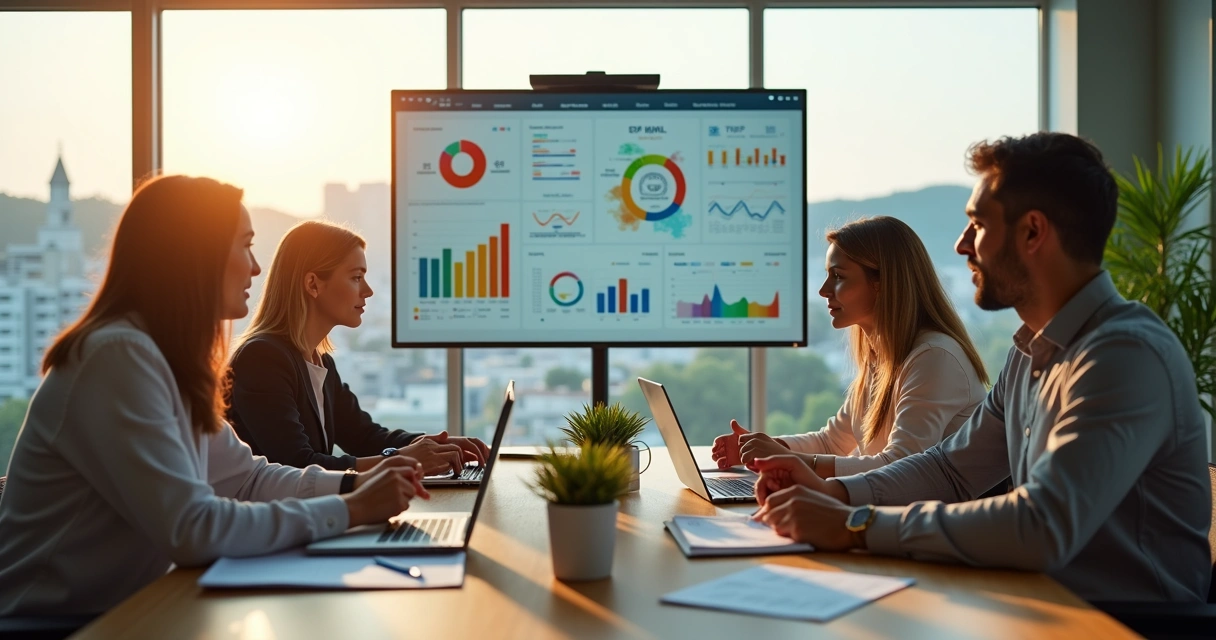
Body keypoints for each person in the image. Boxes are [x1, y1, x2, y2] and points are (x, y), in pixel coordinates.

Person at [749, 132, 1212, 603]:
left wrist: (856, 523)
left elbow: (1041, 525)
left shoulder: (1122, 356)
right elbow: (950, 470)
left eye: (977, 225)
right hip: (1036, 605)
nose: (960, 245)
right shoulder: (1028, 353)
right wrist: (838, 495)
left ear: (1033, 232)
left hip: (1124, 626)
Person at [0, 176, 428, 617]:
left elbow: (247, 480)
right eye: (245, 246)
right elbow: (193, 527)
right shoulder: (117, 356)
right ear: (195, 256)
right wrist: (350, 508)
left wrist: (355, 485)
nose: (256, 269)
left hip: (132, 615)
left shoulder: (165, 359)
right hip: (51, 626)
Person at [712, 216, 988, 478]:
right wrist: (761, 448)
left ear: (882, 283)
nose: (823, 290)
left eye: (838, 276)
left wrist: (786, 459)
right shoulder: (881, 355)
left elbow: (899, 469)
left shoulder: (934, 358)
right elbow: (831, 442)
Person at [227, 220, 489, 477]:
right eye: (356, 277)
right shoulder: (262, 358)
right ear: (313, 284)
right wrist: (402, 459)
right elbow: (299, 466)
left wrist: (436, 445)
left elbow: (365, 437)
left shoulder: (320, 361)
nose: (368, 290)